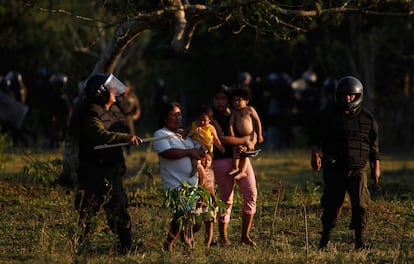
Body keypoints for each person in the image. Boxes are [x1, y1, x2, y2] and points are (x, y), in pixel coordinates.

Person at [72, 73, 143, 254]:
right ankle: (79, 247)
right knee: (89, 210)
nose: (115, 92)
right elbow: (101, 135)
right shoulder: (90, 113)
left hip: (112, 169)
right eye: (111, 89)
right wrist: (126, 138)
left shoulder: (113, 110)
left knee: (119, 206)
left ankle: (126, 247)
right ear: (101, 93)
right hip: (94, 171)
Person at [310, 76, 381, 250]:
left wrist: (376, 166)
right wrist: (315, 154)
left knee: (361, 205)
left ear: (358, 96)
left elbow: (374, 146)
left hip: (359, 170)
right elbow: (315, 138)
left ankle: (360, 241)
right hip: (335, 169)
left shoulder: (368, 118)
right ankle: (324, 241)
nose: (347, 98)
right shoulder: (327, 115)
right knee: (332, 206)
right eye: (343, 95)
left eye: (351, 95)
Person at [152, 102, 206, 253]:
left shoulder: (185, 134)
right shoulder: (160, 134)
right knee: (183, 214)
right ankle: (181, 244)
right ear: (165, 118)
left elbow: (200, 150)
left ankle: (175, 240)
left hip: (193, 184)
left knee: (197, 220)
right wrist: (190, 152)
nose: (178, 118)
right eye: (174, 115)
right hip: (175, 184)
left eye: (179, 114)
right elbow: (167, 153)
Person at [210, 84, 258, 247]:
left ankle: (245, 236)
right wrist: (245, 141)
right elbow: (222, 139)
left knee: (251, 195)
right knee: (226, 200)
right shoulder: (211, 117)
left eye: (223, 98)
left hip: (243, 158)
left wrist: (251, 143)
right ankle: (223, 238)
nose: (220, 102)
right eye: (217, 98)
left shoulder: (240, 113)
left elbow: (253, 132)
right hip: (222, 160)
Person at [228, 86, 264, 180]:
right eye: (234, 100)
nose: (236, 103)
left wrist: (259, 135)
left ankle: (243, 171)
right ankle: (236, 167)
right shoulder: (234, 112)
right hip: (240, 137)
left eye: (239, 100)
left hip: (251, 136)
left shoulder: (249, 109)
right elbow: (231, 124)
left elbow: (257, 122)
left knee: (246, 153)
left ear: (246, 101)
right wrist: (232, 134)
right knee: (237, 151)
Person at [183, 104, 225, 176]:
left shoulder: (211, 128)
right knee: (195, 157)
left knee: (207, 160)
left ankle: (205, 171)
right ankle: (195, 168)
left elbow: (215, 139)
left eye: (204, 120)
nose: (202, 123)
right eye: (199, 120)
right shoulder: (194, 125)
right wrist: (182, 135)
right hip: (195, 144)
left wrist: (219, 146)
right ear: (196, 119)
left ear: (209, 120)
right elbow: (186, 132)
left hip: (206, 146)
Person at [196, 151, 217, 248]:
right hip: (198, 203)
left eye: (208, 160)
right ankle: (187, 238)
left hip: (209, 203)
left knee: (210, 224)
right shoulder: (197, 173)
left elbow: (212, 188)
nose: (206, 162)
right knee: (196, 225)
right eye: (203, 160)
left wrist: (215, 200)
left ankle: (207, 245)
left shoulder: (211, 172)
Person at [116, 80, 141, 154]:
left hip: (129, 118)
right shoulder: (117, 96)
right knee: (119, 135)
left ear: (129, 88)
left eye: (126, 87)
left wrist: (136, 116)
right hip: (118, 118)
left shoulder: (133, 96)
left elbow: (137, 109)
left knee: (130, 134)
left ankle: (129, 151)